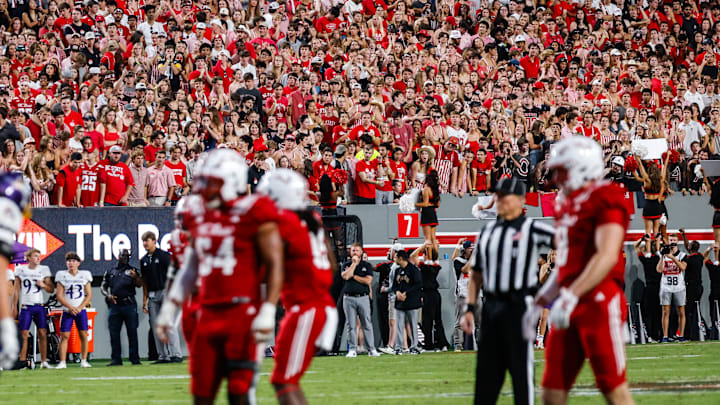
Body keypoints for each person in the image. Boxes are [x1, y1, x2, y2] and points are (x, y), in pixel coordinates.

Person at [155, 149, 284, 405]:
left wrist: (268, 309)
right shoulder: (201, 217)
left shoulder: (253, 212)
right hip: (208, 313)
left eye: (211, 181)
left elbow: (274, 264)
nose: (203, 187)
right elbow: (191, 267)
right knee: (202, 393)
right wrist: (170, 308)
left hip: (241, 313)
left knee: (239, 391)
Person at [527, 136, 633, 405]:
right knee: (552, 390)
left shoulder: (606, 196)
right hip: (568, 302)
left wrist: (572, 294)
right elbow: (565, 262)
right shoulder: (566, 205)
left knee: (613, 388)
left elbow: (607, 255)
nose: (557, 177)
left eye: (562, 170)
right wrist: (539, 302)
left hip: (598, 301)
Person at [461, 177, 554, 405]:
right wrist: (470, 308)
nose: (500, 200)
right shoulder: (486, 233)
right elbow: (476, 275)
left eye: (505, 196)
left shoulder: (531, 228)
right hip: (491, 306)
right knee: (486, 376)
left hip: (519, 306)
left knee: (521, 373)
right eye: (498, 196)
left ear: (521, 200)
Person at [257, 169, 339, 405]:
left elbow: (273, 268)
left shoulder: (287, 222)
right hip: (310, 305)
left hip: (307, 308)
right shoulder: (310, 219)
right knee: (282, 380)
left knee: (285, 380)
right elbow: (330, 264)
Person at [140, 231, 181, 364]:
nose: (145, 243)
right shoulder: (144, 260)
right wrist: (144, 299)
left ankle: (176, 354)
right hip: (152, 294)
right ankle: (162, 355)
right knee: (156, 326)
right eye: (144, 241)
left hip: (165, 291)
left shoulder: (163, 256)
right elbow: (144, 281)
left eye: (147, 240)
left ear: (154, 241)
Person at [13, 247, 54, 369]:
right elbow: (16, 290)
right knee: (24, 334)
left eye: (39, 256)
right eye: (35, 256)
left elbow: (51, 289)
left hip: (39, 305)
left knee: (42, 332)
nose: (38, 259)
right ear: (29, 258)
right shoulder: (20, 270)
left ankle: (43, 361)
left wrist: (43, 285)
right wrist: (14, 307)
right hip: (26, 306)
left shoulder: (44, 269)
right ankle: (22, 361)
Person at [101, 249, 143, 366]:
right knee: (114, 333)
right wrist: (107, 295)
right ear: (118, 256)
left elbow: (140, 284)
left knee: (132, 332)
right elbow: (103, 286)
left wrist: (135, 277)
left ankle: (134, 358)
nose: (125, 258)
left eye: (127, 256)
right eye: (123, 256)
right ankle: (116, 358)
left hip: (129, 304)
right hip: (115, 305)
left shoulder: (133, 270)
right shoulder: (111, 271)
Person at [340, 243, 380, 357]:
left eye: (357, 250)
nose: (355, 253)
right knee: (351, 325)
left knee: (366, 323)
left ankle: (371, 349)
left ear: (361, 252)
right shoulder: (346, 264)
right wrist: (353, 265)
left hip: (363, 297)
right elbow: (346, 276)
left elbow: (368, 280)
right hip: (348, 298)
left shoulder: (366, 265)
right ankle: (352, 349)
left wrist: (354, 276)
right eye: (353, 250)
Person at [54, 252, 93, 369]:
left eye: (73, 261)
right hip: (67, 310)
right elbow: (59, 295)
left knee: (83, 335)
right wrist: (70, 308)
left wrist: (80, 308)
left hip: (80, 310)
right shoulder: (62, 275)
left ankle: (84, 360)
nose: (71, 263)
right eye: (69, 261)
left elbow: (89, 295)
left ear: (78, 263)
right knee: (64, 335)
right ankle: (62, 361)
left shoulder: (85, 275)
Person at [417, 245, 450, 352]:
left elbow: (414, 257)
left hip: (428, 294)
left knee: (428, 321)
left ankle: (429, 345)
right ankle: (441, 344)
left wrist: (425, 247)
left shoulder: (425, 266)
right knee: (437, 320)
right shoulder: (435, 266)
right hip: (435, 294)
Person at [391, 248, 423, 355]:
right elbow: (394, 286)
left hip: (412, 301)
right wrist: (397, 293)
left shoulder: (414, 270)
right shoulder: (397, 270)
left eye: (396, 257)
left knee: (413, 325)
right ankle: (398, 347)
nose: (394, 259)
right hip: (400, 302)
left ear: (400, 258)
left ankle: (414, 346)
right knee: (399, 325)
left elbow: (418, 284)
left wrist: (406, 293)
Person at [656, 233, 687, 342]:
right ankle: (665, 336)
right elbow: (659, 270)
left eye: (674, 240)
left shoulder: (682, 255)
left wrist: (672, 258)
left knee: (681, 311)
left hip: (679, 286)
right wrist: (663, 256)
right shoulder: (662, 255)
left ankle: (681, 335)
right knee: (665, 312)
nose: (672, 242)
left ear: (677, 242)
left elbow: (683, 267)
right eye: (670, 240)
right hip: (666, 287)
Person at [452, 239, 477, 351]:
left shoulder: (477, 261)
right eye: (470, 249)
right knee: (460, 321)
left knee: (478, 321)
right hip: (462, 294)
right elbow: (465, 269)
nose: (472, 250)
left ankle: (477, 343)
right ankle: (458, 344)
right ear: (464, 250)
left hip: (475, 294)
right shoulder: (459, 261)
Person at [415, 169, 440, 253]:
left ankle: (429, 261)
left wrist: (414, 204)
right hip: (433, 213)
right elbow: (438, 205)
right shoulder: (435, 189)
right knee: (434, 239)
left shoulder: (426, 189)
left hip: (426, 213)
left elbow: (425, 204)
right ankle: (435, 259)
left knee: (427, 240)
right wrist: (431, 204)